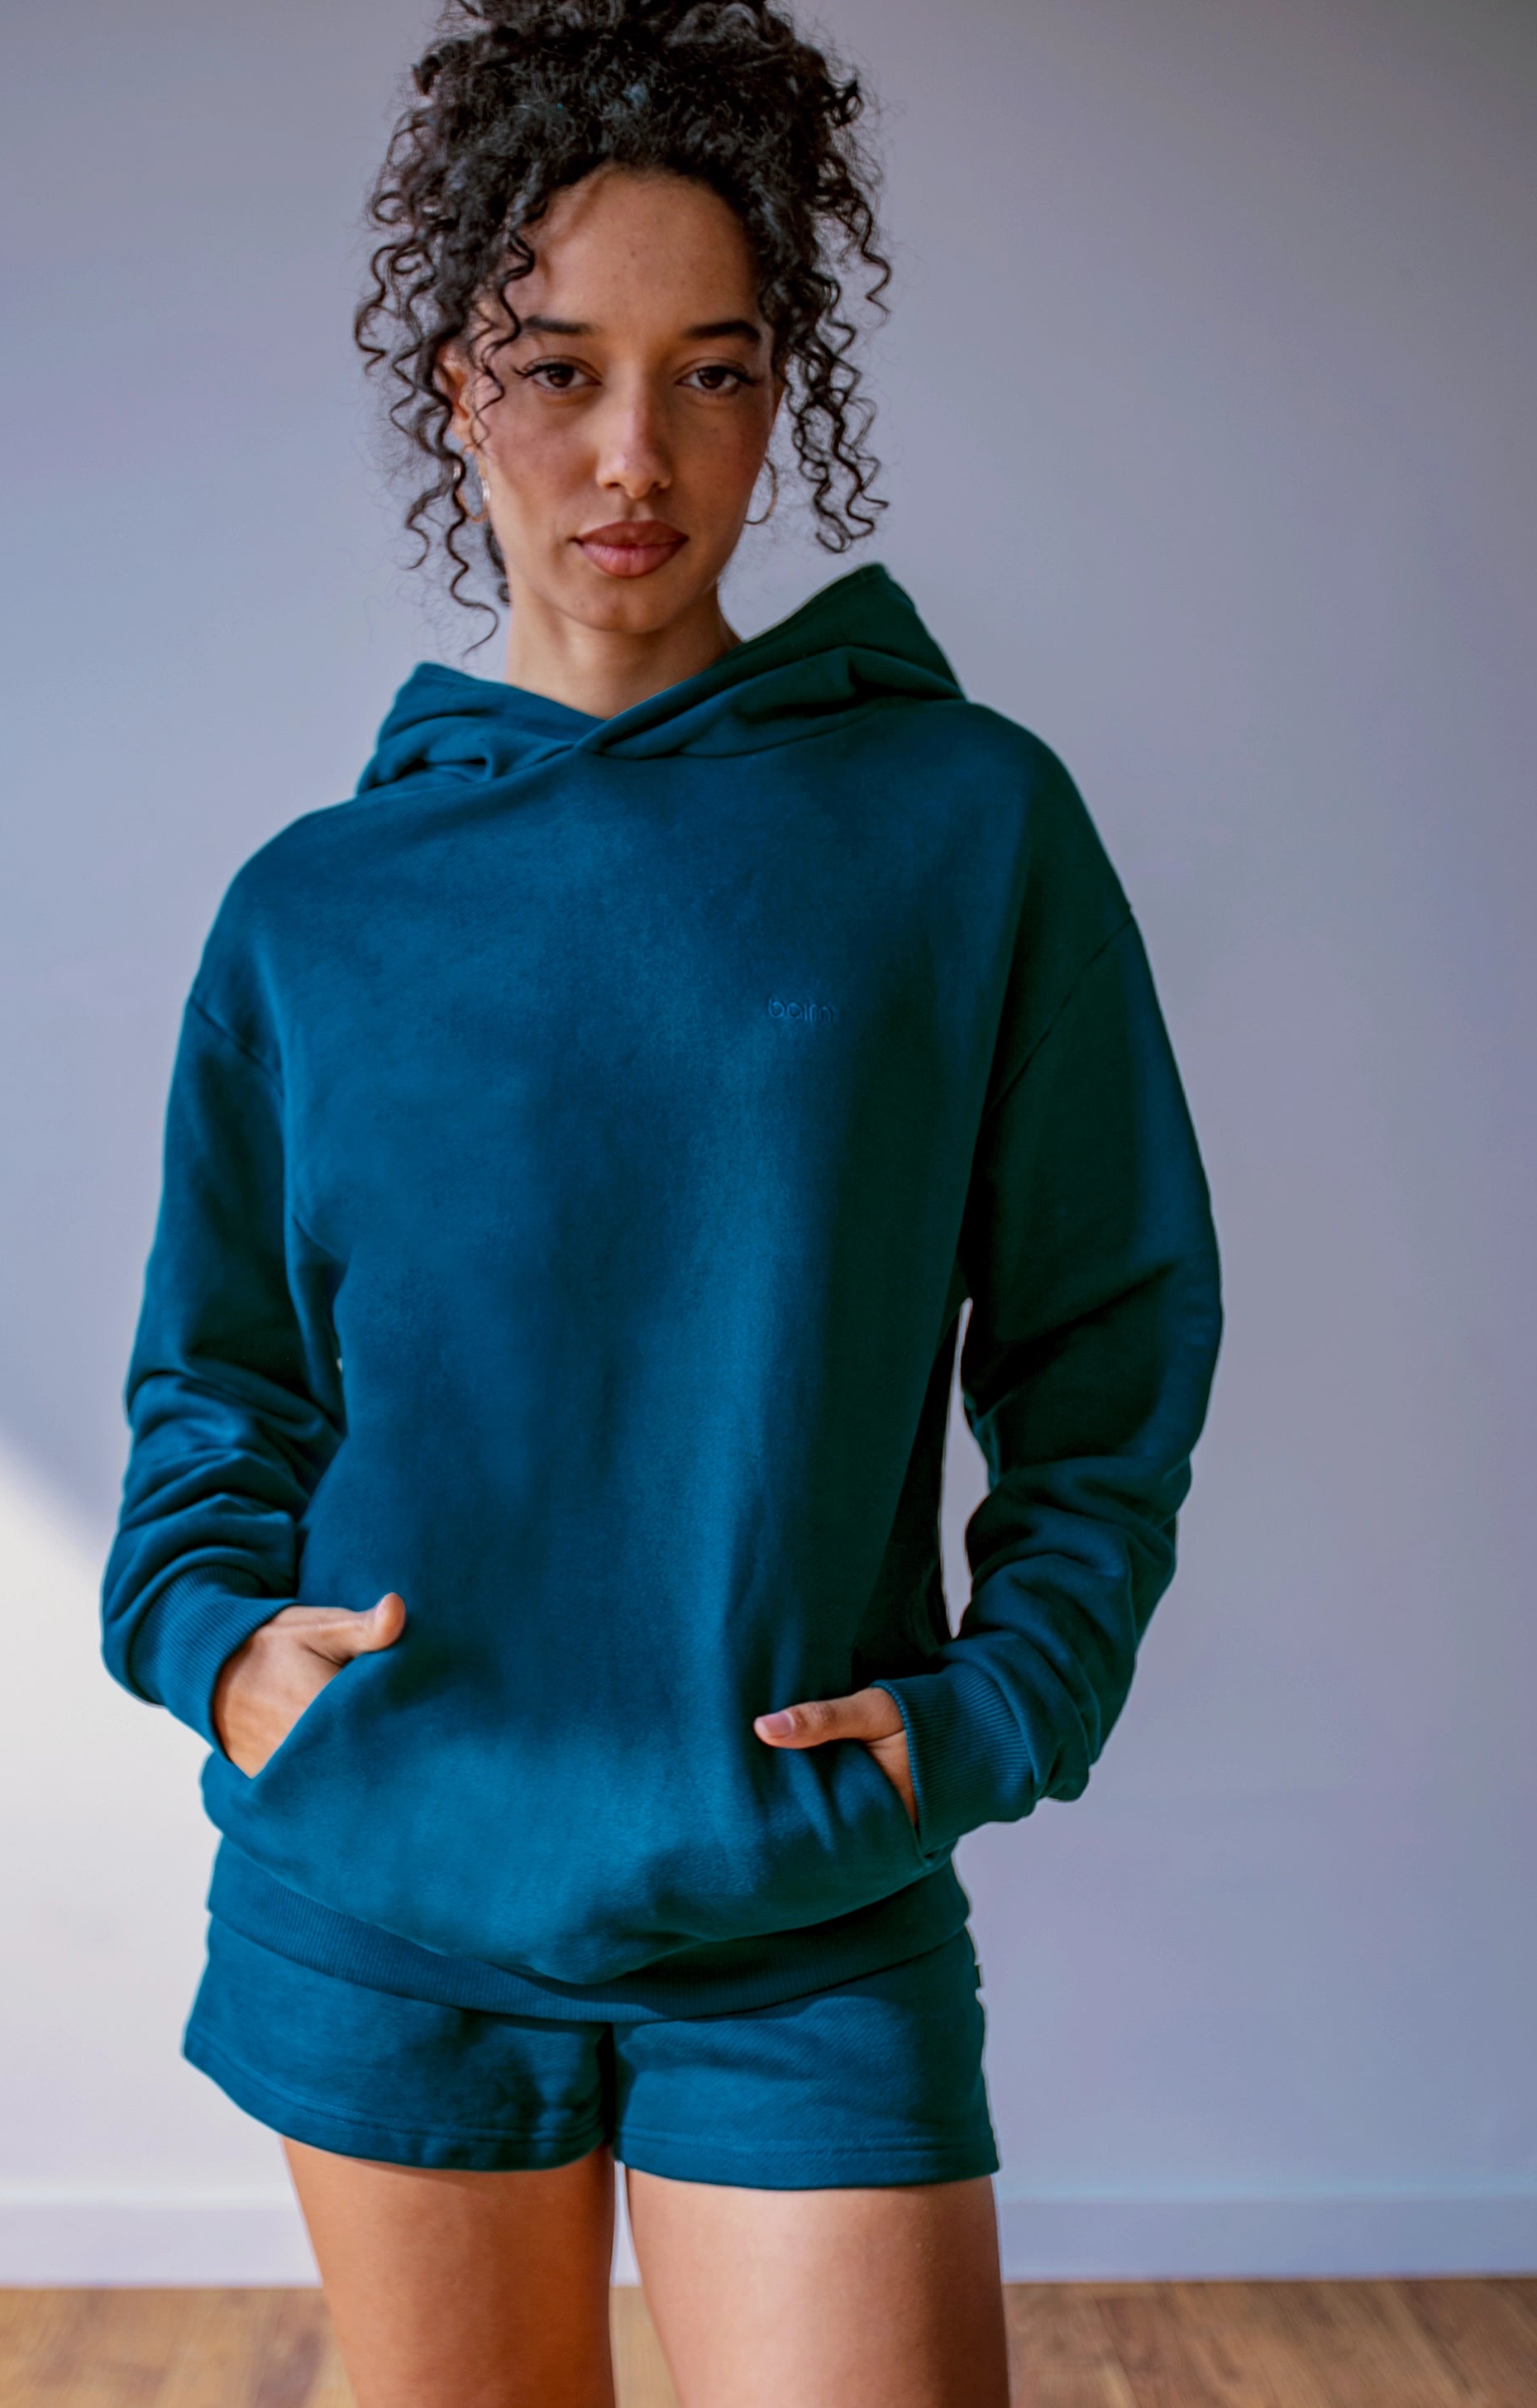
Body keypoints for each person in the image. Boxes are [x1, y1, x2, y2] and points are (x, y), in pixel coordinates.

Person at [99, 2, 1223, 2401]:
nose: (635, 452)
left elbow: (1110, 1328)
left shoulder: (958, 825)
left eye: (713, 373)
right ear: (452, 387)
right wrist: (218, 1646)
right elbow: (217, 1379)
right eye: (559, 368)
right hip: (392, 1875)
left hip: (801, 1891)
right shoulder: (318, 904)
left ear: (778, 394)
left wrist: (1009, 1704)